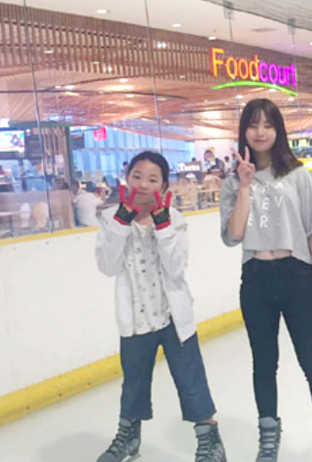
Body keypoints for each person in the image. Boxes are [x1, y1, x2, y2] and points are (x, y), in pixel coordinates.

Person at [220, 98, 312, 462]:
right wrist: (245, 185)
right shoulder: (233, 182)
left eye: (268, 125)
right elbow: (235, 234)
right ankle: (268, 438)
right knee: (264, 362)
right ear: (243, 130)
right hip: (256, 278)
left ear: (278, 130)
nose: (260, 132)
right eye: (253, 124)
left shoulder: (298, 175)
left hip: (296, 275)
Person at [95, 151, 227, 462]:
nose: (143, 184)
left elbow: (176, 268)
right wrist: (122, 221)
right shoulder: (111, 218)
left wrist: (163, 224)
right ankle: (129, 437)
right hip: (135, 318)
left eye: (152, 179)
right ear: (127, 179)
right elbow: (107, 266)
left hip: (172, 318)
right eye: (137, 176)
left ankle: (210, 440)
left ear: (164, 187)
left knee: (190, 380)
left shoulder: (175, 220)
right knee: (134, 383)